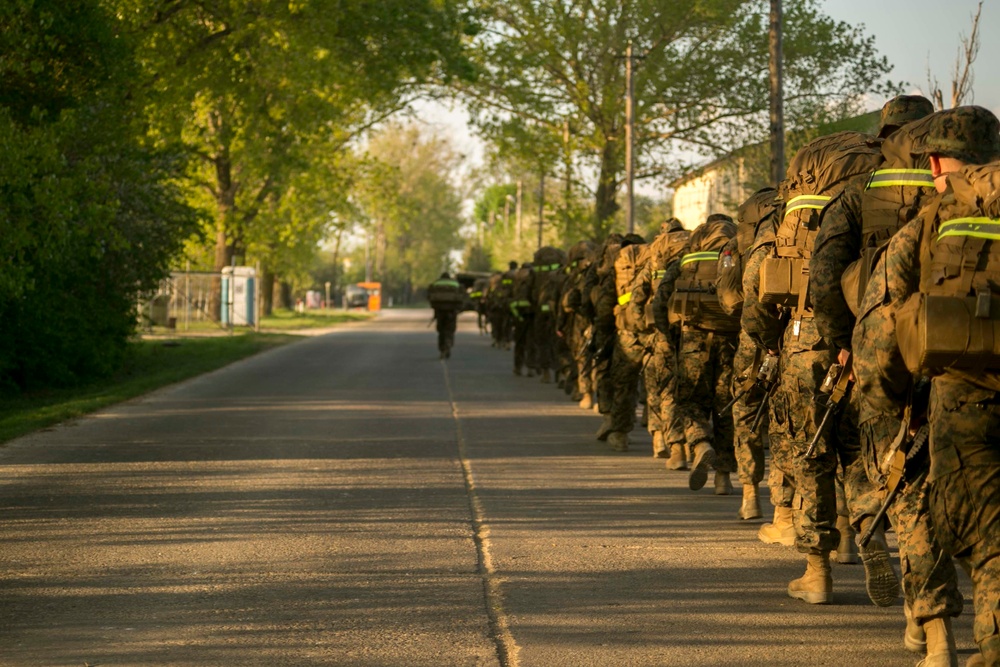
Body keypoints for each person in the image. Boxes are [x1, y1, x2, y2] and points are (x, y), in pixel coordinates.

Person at [853, 105, 1000, 667]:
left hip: (963, 402)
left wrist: (887, 403)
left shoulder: (933, 221)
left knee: (987, 543)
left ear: (936, 160)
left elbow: (881, 330)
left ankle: (945, 639)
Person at [427, 272, 464, 359]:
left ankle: (442, 348)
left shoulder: (436, 283)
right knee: (450, 329)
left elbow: (429, 296)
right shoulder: (455, 284)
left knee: (441, 330)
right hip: (452, 310)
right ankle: (448, 343)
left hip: (439, 310)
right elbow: (461, 297)